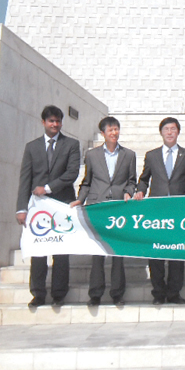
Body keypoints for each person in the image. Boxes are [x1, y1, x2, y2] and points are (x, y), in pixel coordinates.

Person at [16, 105, 80, 308]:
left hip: (61, 204)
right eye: (51, 121)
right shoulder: (32, 147)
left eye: (58, 121)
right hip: (38, 208)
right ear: (43, 122)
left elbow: (71, 174)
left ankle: (59, 294)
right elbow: (25, 179)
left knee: (61, 250)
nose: (55, 124)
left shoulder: (71, 144)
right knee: (39, 251)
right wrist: (21, 208)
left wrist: (48, 188)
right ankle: (38, 294)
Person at [70, 116, 137, 306]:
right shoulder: (92, 155)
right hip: (97, 208)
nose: (114, 133)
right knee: (98, 254)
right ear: (103, 133)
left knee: (117, 253)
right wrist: (80, 199)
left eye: (116, 129)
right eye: (110, 130)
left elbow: (132, 180)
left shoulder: (129, 155)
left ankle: (117, 293)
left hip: (118, 209)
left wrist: (128, 192)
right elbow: (87, 182)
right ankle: (95, 294)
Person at [134, 117, 185, 304]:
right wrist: (140, 190)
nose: (170, 132)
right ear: (161, 132)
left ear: (178, 132)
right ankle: (158, 293)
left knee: (177, 252)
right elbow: (144, 178)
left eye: (173, 129)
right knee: (156, 253)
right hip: (157, 210)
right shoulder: (152, 155)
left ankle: (174, 292)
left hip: (178, 210)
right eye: (166, 129)